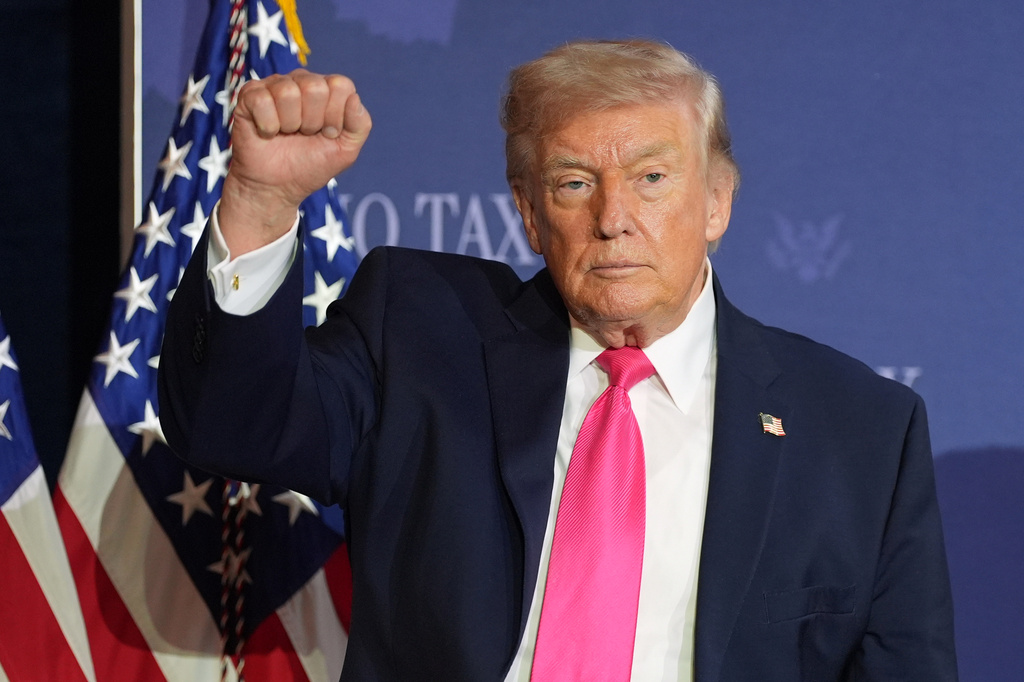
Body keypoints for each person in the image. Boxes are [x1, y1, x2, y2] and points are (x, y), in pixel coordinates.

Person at [159, 40, 957, 681]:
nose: (614, 219)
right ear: (531, 216)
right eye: (575, 183)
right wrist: (262, 205)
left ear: (716, 201)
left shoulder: (859, 430)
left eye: (651, 178)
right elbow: (235, 427)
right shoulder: (421, 334)